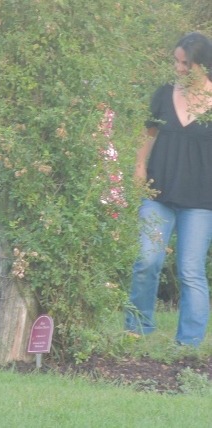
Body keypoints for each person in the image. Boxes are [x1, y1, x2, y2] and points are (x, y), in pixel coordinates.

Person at [125, 32, 212, 347]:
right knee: (147, 261)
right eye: (176, 61)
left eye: (185, 64)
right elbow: (147, 133)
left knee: (191, 271)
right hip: (158, 194)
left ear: (202, 65)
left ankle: (188, 344)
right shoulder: (163, 94)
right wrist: (138, 167)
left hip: (201, 202)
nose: (178, 69)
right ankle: (137, 332)